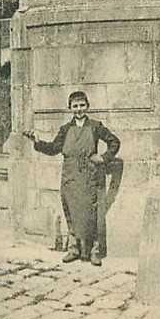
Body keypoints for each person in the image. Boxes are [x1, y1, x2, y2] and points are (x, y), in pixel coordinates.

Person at [23, 91, 120, 266]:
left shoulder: (96, 127)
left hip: (89, 177)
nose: (79, 109)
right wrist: (37, 141)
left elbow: (114, 142)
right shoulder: (65, 129)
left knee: (92, 215)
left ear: (87, 106)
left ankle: (94, 251)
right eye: (75, 106)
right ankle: (74, 249)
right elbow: (53, 148)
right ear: (70, 108)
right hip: (70, 177)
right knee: (71, 213)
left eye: (82, 105)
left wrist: (104, 158)